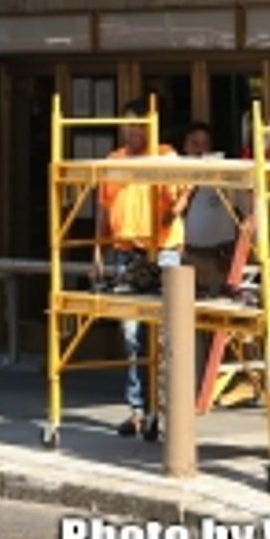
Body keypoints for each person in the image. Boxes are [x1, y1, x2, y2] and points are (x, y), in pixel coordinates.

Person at [96, 102, 181, 435]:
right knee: (132, 335)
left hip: (161, 251)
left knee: (163, 335)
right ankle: (137, 409)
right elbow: (103, 209)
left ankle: (162, 409)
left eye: (139, 126)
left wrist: (174, 211)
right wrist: (97, 253)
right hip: (125, 251)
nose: (133, 132)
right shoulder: (113, 162)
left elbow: (184, 190)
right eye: (128, 126)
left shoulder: (165, 155)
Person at [177, 122, 246, 298]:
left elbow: (244, 213)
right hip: (190, 258)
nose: (200, 150)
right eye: (195, 144)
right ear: (185, 147)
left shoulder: (224, 177)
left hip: (220, 259)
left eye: (205, 144)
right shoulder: (175, 177)